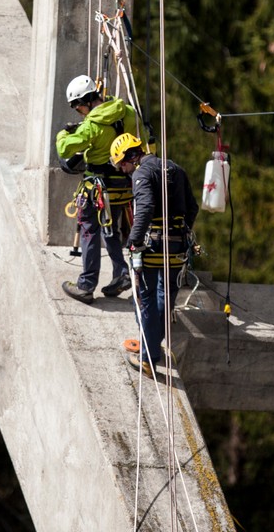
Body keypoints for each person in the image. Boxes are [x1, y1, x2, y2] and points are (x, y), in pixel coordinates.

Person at [110, 133, 199, 375]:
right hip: (177, 245)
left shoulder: (141, 173)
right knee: (165, 297)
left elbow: (146, 208)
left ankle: (147, 358)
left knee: (145, 299)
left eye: (122, 166)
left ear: (129, 158)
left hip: (154, 244)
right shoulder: (175, 168)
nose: (123, 171)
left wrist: (133, 241)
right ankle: (152, 347)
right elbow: (192, 207)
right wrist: (182, 231)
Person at [55, 75, 140, 304]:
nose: (79, 112)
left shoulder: (92, 125)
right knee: (110, 228)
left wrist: (65, 133)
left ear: (86, 101)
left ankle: (86, 285)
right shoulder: (128, 112)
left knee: (89, 229)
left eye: (78, 107)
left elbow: (64, 149)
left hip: (98, 188)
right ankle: (121, 272)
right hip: (122, 185)